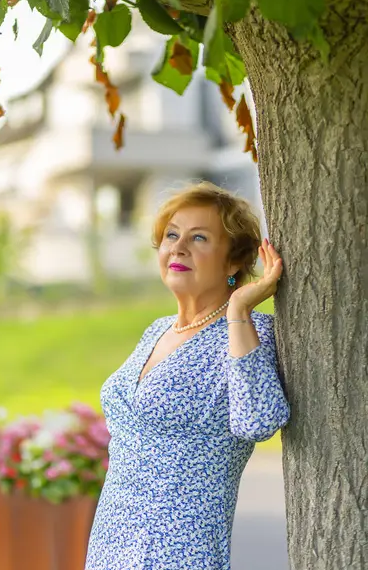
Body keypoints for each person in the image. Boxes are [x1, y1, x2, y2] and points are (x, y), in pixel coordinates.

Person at [85, 181, 290, 570]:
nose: (178, 247)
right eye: (171, 235)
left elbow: (259, 422)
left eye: (199, 238)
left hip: (178, 552)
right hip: (111, 545)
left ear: (234, 261)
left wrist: (240, 310)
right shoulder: (157, 330)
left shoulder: (249, 332)